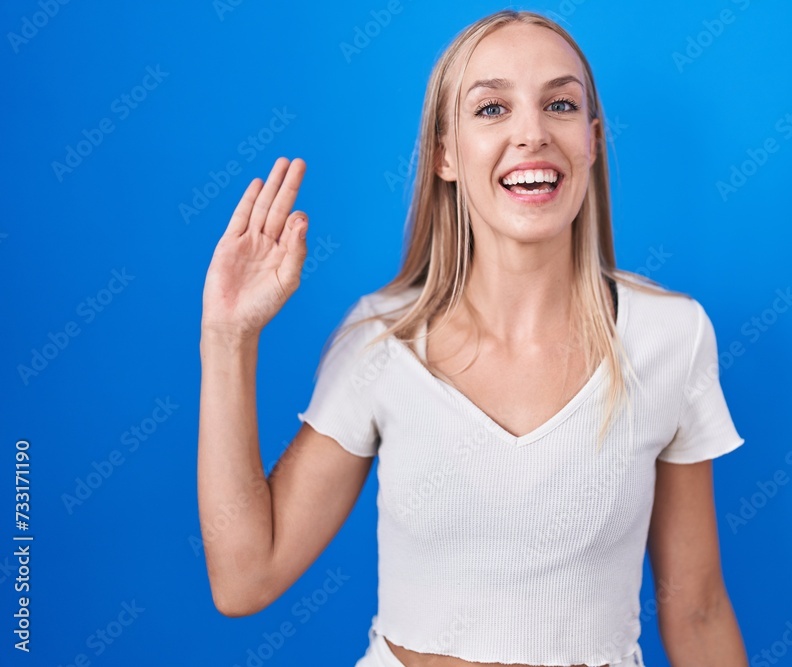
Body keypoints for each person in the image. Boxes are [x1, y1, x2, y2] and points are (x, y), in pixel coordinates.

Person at [197, 9, 749, 667]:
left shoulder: (670, 336)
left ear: (592, 141)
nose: (532, 133)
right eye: (492, 109)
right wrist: (227, 336)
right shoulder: (382, 341)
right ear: (445, 154)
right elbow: (245, 577)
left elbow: (696, 608)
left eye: (560, 105)